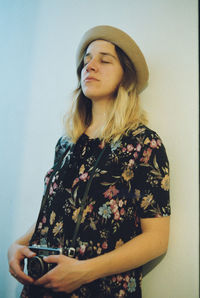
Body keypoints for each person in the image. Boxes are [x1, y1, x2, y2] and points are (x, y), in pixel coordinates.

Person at [8, 25, 170, 298]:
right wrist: (18, 244)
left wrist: (85, 271)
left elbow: (157, 239)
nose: (90, 66)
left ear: (125, 77)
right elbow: (57, 213)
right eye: (87, 60)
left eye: (105, 60)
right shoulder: (66, 143)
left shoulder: (144, 143)